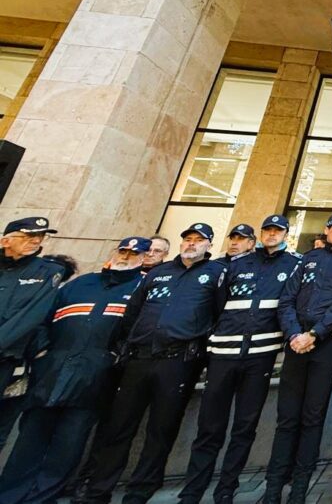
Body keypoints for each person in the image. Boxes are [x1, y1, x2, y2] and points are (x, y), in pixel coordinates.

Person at [81, 223, 226, 504]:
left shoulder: (216, 274)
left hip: (178, 361)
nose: (192, 244)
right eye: (188, 239)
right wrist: (125, 348)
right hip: (139, 359)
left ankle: (140, 492)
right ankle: (98, 491)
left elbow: (218, 316)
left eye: (199, 240)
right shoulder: (158, 273)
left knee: (161, 430)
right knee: (118, 428)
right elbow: (132, 313)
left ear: (209, 245)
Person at [0, 237, 146, 504]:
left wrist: (114, 358)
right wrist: (43, 352)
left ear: (143, 258)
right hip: (53, 372)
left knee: (69, 444)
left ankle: (43, 497)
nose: (126, 256)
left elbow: (139, 331)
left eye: (134, 253)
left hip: (95, 377)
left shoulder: (141, 288)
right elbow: (43, 319)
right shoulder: (81, 283)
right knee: (29, 440)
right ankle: (9, 495)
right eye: (123, 250)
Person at [180, 215, 301, 504]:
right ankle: (192, 492)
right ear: (260, 234)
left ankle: (226, 490)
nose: (272, 235)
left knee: (244, 427)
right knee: (209, 427)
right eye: (267, 230)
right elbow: (217, 305)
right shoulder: (237, 264)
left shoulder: (294, 264)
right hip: (224, 353)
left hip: (260, 355)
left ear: (286, 234)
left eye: (277, 231)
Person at [263, 212, 332, 504]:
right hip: (297, 345)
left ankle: (299, 489)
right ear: (327, 229)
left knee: (312, 417)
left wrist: (315, 334)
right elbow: (287, 300)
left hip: (325, 345)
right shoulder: (308, 259)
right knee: (287, 418)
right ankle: (272, 487)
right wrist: (295, 334)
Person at [0, 216, 65, 450]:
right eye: (28, 236)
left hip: (8, 359)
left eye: (40, 236)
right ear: (6, 241)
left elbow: (30, 316)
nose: (36, 241)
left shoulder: (48, 272)